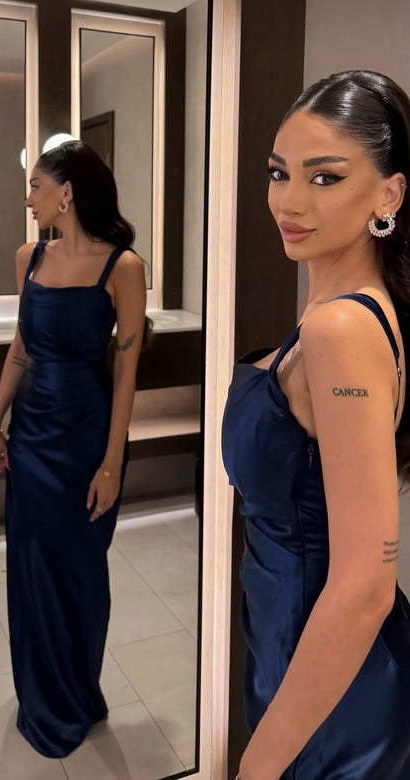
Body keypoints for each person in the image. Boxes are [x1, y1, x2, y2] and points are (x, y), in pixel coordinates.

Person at [222, 70, 410, 779]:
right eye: (279, 173)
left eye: (325, 177)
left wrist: (258, 765)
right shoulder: (343, 314)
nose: (289, 201)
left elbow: (365, 587)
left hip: (329, 678)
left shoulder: (341, 328)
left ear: (388, 195)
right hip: (302, 650)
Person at [0, 140, 147, 757]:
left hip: (87, 438)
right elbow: (20, 348)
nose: (28, 199)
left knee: (79, 571)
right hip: (31, 438)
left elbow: (126, 373)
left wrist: (112, 463)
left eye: (35, 186)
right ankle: (42, 699)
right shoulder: (28, 257)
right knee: (32, 568)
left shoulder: (124, 268)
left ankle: (77, 694)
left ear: (66, 193)